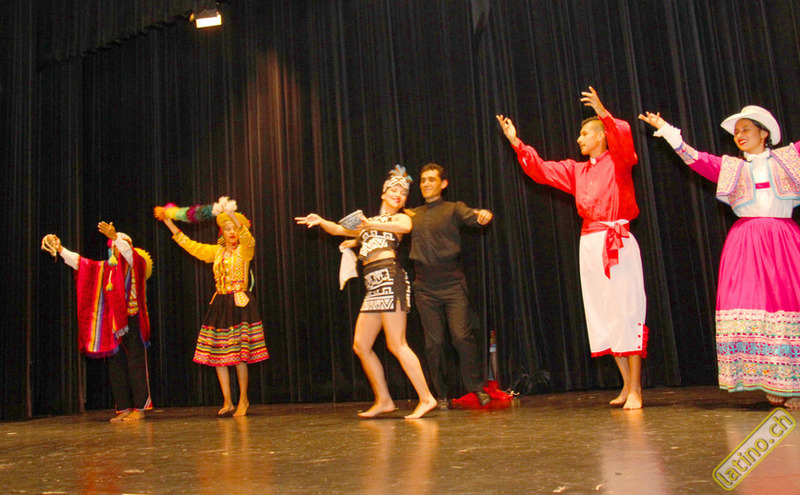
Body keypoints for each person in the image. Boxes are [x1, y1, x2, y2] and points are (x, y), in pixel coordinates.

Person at [496, 87, 648, 410]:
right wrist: (516, 142)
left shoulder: (618, 162)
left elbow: (624, 141)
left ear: (601, 136)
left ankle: (636, 388)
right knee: (604, 314)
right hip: (590, 243)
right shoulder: (577, 170)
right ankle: (625, 385)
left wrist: (603, 113)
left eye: (584, 134)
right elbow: (541, 170)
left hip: (616, 240)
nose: (579, 139)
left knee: (626, 312)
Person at [640, 106, 800, 409]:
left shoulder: (790, 157)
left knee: (788, 304)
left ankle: (794, 386)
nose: (739, 135)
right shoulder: (732, 168)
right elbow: (695, 158)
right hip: (747, 242)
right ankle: (772, 382)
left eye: (745, 129)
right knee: (753, 307)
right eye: (736, 132)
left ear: (763, 133)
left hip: (783, 240)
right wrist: (668, 131)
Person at [295, 166, 437, 419]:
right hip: (372, 286)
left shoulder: (400, 219)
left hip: (390, 279)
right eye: (394, 190)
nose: (398, 195)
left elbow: (405, 227)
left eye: (403, 193)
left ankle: (426, 398)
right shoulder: (368, 223)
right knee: (361, 345)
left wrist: (368, 225)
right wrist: (321, 221)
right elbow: (338, 229)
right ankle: (384, 400)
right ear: (384, 193)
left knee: (397, 343)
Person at [158, 198, 268, 417]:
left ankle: (243, 399)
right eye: (227, 229)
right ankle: (227, 400)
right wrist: (168, 222)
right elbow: (190, 245)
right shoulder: (216, 252)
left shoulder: (245, 250)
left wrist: (232, 214)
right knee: (220, 355)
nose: (232, 232)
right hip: (220, 305)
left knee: (239, 355)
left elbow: (248, 237)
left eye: (234, 228)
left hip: (239, 304)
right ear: (221, 233)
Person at [44, 222, 153, 422]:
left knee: (136, 364)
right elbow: (81, 264)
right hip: (114, 325)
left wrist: (116, 237)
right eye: (113, 246)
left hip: (133, 321)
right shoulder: (107, 269)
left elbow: (129, 254)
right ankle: (124, 408)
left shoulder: (136, 262)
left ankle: (140, 408)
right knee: (116, 367)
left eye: (119, 245)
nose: (117, 249)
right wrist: (60, 249)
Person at [406, 162, 493, 409]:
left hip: (453, 285)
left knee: (462, 337)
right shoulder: (412, 214)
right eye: (423, 180)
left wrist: (484, 214)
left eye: (431, 179)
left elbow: (476, 216)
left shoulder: (453, 209)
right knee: (433, 344)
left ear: (443, 184)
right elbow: (389, 224)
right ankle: (441, 395)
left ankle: (476, 387)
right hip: (425, 288)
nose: (426, 184)